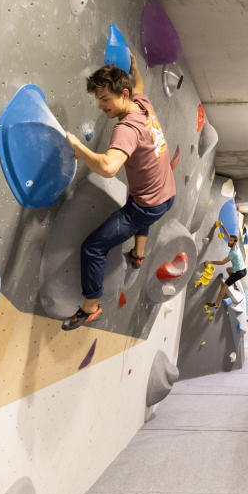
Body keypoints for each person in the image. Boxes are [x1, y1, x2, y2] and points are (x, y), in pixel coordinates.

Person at [62, 54, 175, 331]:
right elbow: (139, 82)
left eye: (105, 100)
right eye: (98, 100)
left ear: (122, 95)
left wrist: (79, 147)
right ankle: (138, 254)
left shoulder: (126, 128)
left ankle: (91, 307)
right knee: (133, 196)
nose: (101, 107)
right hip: (167, 191)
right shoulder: (141, 103)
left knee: (93, 247)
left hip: (147, 205)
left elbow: (109, 167)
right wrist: (134, 67)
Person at [205, 222, 247, 308]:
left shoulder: (233, 253)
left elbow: (222, 262)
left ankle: (216, 304)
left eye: (231, 241)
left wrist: (210, 262)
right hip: (243, 270)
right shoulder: (235, 246)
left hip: (239, 272)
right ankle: (235, 285)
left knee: (224, 286)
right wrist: (222, 226)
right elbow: (228, 236)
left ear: (234, 243)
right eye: (229, 240)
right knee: (228, 269)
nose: (229, 241)